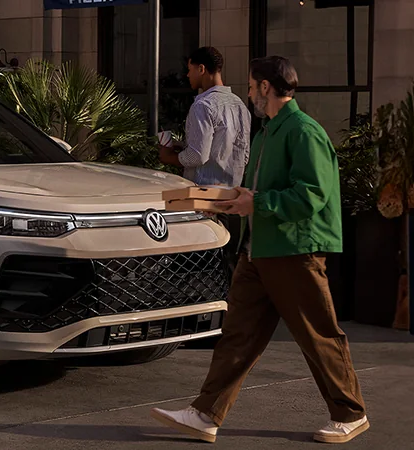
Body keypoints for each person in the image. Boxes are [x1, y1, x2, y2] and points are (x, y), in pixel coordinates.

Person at [150, 56, 368, 445]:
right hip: (260, 250)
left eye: (251, 86)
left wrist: (258, 203)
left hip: (293, 250)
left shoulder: (302, 131)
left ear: (266, 87)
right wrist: (230, 199)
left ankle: (350, 414)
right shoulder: (267, 133)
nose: (248, 92)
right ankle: (205, 414)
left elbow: (313, 194)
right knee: (238, 335)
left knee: (317, 334)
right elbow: (256, 192)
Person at [159, 46, 251, 267]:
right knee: (226, 265)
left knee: (198, 267)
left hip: (202, 200)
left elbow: (197, 156)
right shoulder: (240, 106)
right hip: (232, 197)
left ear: (201, 69)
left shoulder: (203, 105)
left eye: (190, 69)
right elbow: (243, 154)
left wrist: (168, 157)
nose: (187, 75)